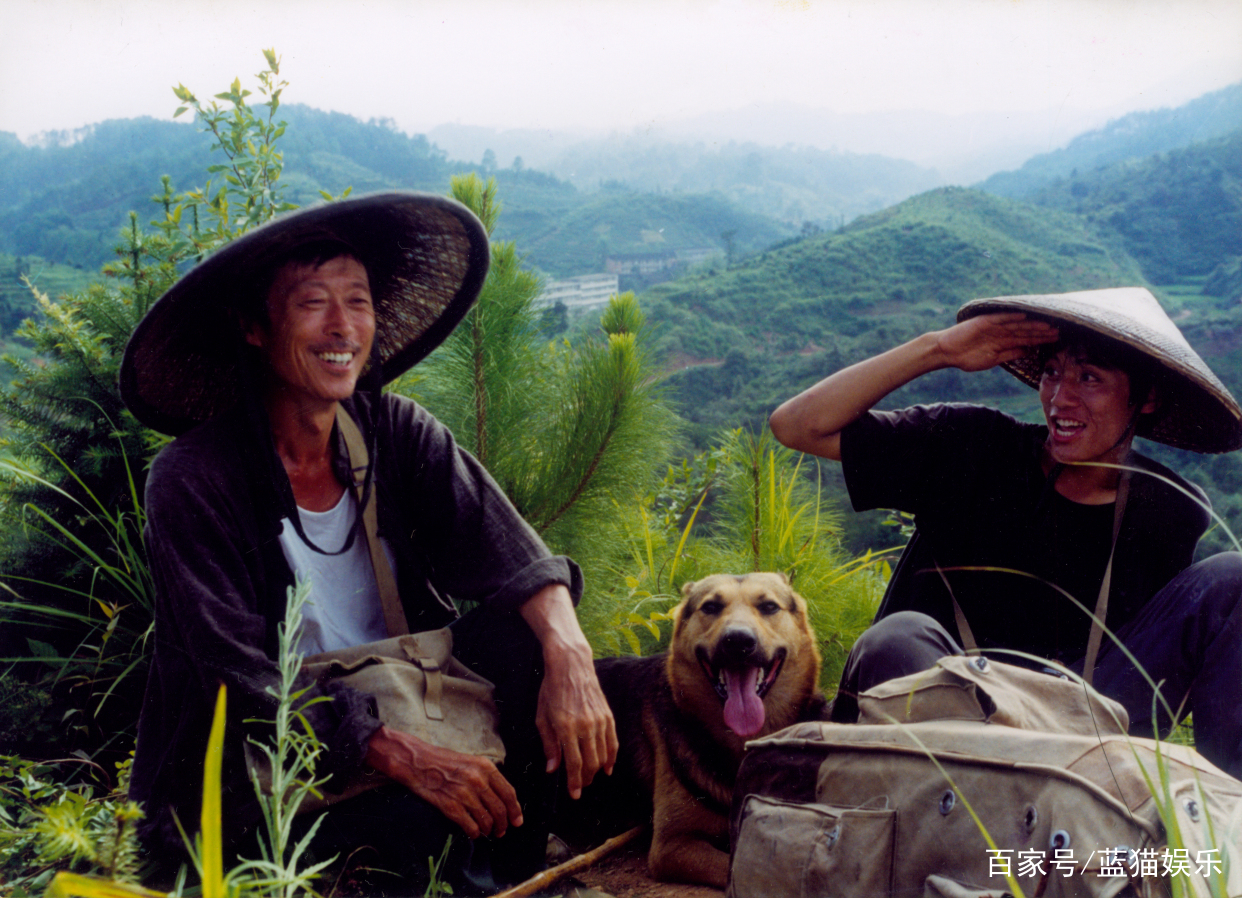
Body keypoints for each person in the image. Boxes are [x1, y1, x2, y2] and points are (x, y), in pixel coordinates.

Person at [120, 193, 618, 893]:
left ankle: (511, 863)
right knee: (418, 827)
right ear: (255, 327)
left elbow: (518, 558)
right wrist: (406, 759)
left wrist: (571, 657)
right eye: (312, 303)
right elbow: (237, 679)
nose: (341, 326)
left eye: (357, 301)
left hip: (400, 702)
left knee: (539, 646)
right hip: (272, 760)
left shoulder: (393, 430)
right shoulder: (193, 480)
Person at [769, 287, 1242, 779]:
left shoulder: (1168, 509)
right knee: (898, 637)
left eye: (1089, 377)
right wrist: (939, 350)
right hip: (943, 715)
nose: (1061, 398)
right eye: (1052, 373)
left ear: (1147, 398)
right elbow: (797, 426)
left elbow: (1143, 673)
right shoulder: (972, 445)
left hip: (1070, 724)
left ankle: (1222, 814)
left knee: (1233, 578)